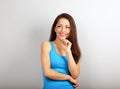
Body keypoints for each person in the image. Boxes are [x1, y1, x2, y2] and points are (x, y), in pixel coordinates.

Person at [40, 13, 82, 89]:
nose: (63, 30)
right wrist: (68, 78)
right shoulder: (46, 45)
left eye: (67, 27)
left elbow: (75, 75)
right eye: (59, 26)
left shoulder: (75, 51)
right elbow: (47, 72)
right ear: (55, 28)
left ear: (71, 31)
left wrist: (68, 51)